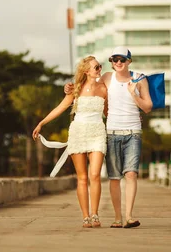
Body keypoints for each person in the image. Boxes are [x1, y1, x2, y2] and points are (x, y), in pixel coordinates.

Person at [65, 46, 152, 228]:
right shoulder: (106, 79)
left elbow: (148, 107)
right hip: (111, 132)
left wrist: (133, 95)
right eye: (114, 60)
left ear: (129, 61)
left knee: (130, 174)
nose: (118, 63)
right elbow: (92, 93)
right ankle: (117, 218)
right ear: (112, 63)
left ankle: (128, 216)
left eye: (122, 59)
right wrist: (69, 88)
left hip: (133, 131)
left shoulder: (139, 78)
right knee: (114, 177)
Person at [32, 56, 107, 228]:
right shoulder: (75, 90)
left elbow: (109, 112)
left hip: (97, 133)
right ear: (87, 71)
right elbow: (60, 108)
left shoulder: (104, 88)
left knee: (94, 175)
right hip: (78, 133)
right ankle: (85, 216)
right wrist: (41, 123)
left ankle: (95, 214)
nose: (99, 69)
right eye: (96, 67)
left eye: (100, 66)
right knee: (82, 178)